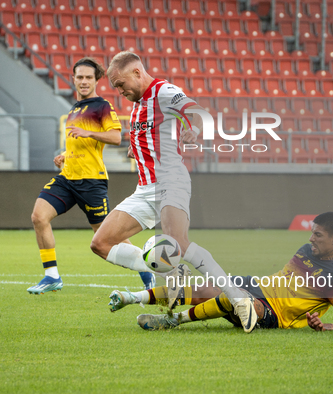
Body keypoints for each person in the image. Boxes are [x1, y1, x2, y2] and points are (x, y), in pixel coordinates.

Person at [89, 51, 259, 333]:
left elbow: (197, 112)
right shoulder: (138, 106)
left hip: (170, 180)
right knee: (101, 244)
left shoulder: (164, 91)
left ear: (137, 72)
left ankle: (239, 299)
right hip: (145, 189)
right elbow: (152, 138)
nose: (119, 91)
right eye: (115, 87)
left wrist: (192, 129)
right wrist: (137, 149)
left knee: (177, 242)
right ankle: (168, 268)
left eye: (120, 84)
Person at [109, 212, 333, 332]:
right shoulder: (307, 249)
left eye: (318, 235)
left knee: (233, 296)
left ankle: (171, 321)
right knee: (203, 287)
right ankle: (134, 297)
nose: (311, 238)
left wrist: (326, 326)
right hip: (257, 285)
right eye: (312, 232)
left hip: (271, 312)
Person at [27, 57, 154, 294]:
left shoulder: (101, 106)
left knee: (108, 237)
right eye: (79, 77)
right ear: (73, 79)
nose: (83, 81)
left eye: (88, 77)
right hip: (67, 178)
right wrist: (66, 154)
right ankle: (51, 276)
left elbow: (116, 137)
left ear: (96, 80)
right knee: (38, 216)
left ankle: (146, 269)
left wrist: (87, 132)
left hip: (91, 182)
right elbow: (82, 142)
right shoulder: (75, 108)